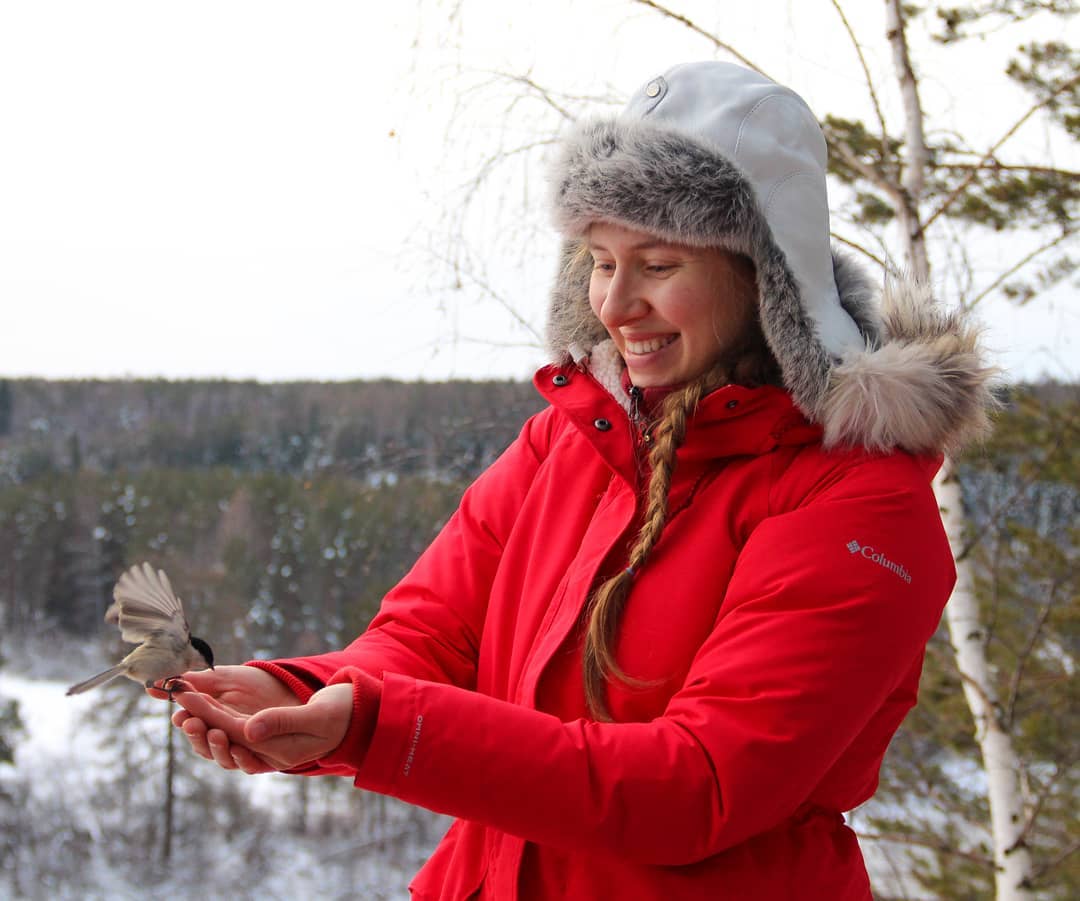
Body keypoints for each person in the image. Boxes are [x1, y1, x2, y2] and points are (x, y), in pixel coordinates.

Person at [162, 62, 994, 899]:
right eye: (599, 261)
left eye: (658, 264)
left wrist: (381, 729)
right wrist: (301, 691)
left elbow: (696, 785)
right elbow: (431, 638)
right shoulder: (571, 443)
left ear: (767, 279)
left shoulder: (858, 503)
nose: (614, 303)